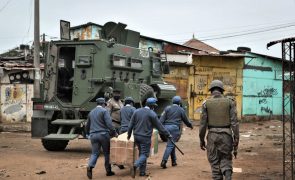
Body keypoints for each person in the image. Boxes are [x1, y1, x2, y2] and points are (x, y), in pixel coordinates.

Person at [199, 80, 239, 180]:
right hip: (226, 135)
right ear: (222, 90)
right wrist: (236, 139)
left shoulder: (205, 103)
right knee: (226, 159)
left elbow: (203, 124)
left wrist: (201, 139)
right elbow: (234, 123)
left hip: (212, 135)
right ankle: (228, 175)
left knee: (214, 161)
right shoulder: (230, 102)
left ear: (211, 90)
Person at [127, 97, 171, 177]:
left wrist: (129, 134)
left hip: (136, 136)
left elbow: (130, 124)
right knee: (145, 154)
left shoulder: (136, 111)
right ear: (152, 106)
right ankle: (135, 165)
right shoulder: (152, 114)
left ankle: (142, 172)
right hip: (145, 137)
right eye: (154, 106)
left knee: (141, 153)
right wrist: (168, 134)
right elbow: (159, 126)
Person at [86, 97, 118, 179]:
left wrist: (87, 133)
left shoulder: (91, 112)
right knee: (107, 153)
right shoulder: (104, 111)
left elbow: (87, 125)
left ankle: (90, 166)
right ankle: (108, 171)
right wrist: (114, 132)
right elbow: (109, 124)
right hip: (103, 135)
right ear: (103, 104)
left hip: (93, 135)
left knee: (94, 153)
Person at [160, 96, 193, 168]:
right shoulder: (181, 110)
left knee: (172, 144)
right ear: (179, 102)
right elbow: (186, 120)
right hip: (174, 129)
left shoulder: (167, 108)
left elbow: (161, 120)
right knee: (170, 145)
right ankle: (164, 161)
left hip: (166, 128)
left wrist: (161, 129)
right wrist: (190, 125)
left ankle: (174, 161)